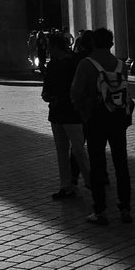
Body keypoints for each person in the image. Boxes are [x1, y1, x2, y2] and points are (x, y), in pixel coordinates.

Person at [70, 28, 133, 225]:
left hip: (96, 118)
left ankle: (100, 211)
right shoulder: (121, 65)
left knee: (97, 164)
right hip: (118, 118)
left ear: (93, 44)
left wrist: (85, 113)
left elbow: (76, 93)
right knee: (121, 163)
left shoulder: (86, 64)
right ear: (111, 44)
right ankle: (125, 208)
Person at [41, 32, 91, 198]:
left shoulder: (75, 62)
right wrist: (46, 95)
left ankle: (91, 182)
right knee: (62, 151)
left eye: (49, 47)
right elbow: (47, 85)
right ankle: (67, 186)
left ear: (56, 47)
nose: (47, 50)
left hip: (72, 112)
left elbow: (79, 87)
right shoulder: (53, 64)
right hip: (56, 112)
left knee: (78, 149)